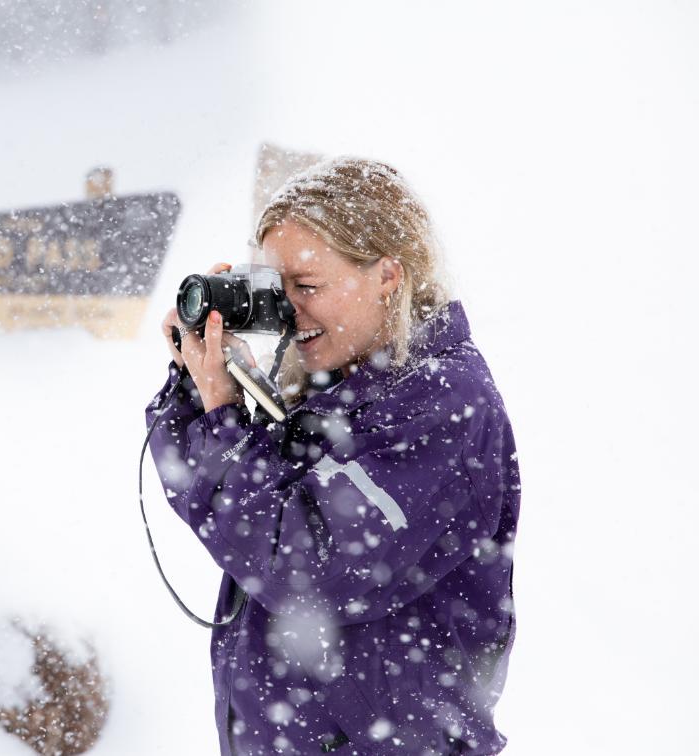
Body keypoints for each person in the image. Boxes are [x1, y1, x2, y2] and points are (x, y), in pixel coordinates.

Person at [145, 157, 519, 755]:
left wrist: (223, 418)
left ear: (387, 274)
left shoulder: (442, 404)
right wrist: (199, 386)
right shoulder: (335, 382)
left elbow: (304, 571)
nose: (286, 310)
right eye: (274, 287)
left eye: (307, 285)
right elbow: (207, 491)